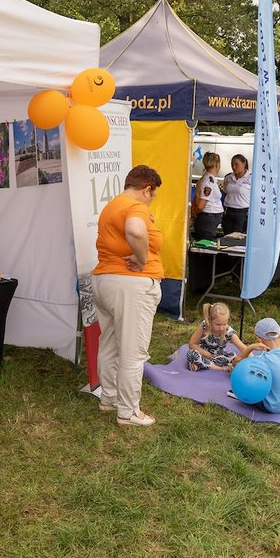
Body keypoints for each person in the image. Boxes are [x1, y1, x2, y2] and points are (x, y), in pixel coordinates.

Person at [92, 165, 164, 427]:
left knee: (109, 343)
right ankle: (128, 411)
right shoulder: (135, 208)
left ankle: (108, 399)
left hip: (105, 281)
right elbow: (134, 230)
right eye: (152, 194)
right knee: (133, 352)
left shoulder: (114, 205)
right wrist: (143, 259)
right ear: (146, 190)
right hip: (130, 286)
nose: (151, 200)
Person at [230, 318, 280, 414]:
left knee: (251, 382)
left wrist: (250, 348)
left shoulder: (260, 361)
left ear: (259, 340)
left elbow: (235, 364)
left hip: (273, 407)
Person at [186, 302, 247, 371]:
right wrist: (206, 354)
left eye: (224, 324)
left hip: (218, 356)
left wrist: (254, 360)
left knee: (234, 356)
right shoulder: (204, 326)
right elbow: (192, 344)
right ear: (210, 320)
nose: (221, 328)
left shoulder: (228, 331)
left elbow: (242, 347)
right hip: (202, 353)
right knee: (191, 353)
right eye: (218, 324)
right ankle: (219, 368)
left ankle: (202, 365)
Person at [191, 152, 224, 241]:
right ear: (217, 165)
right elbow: (201, 205)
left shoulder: (207, 179)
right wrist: (195, 213)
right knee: (206, 243)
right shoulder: (209, 182)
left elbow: (196, 198)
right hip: (208, 218)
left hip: (208, 218)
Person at [221, 154, 251, 234]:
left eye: (236, 164)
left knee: (237, 238)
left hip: (242, 213)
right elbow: (225, 192)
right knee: (226, 236)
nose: (234, 167)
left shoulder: (251, 178)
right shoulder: (228, 178)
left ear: (244, 164)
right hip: (228, 212)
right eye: (232, 165)